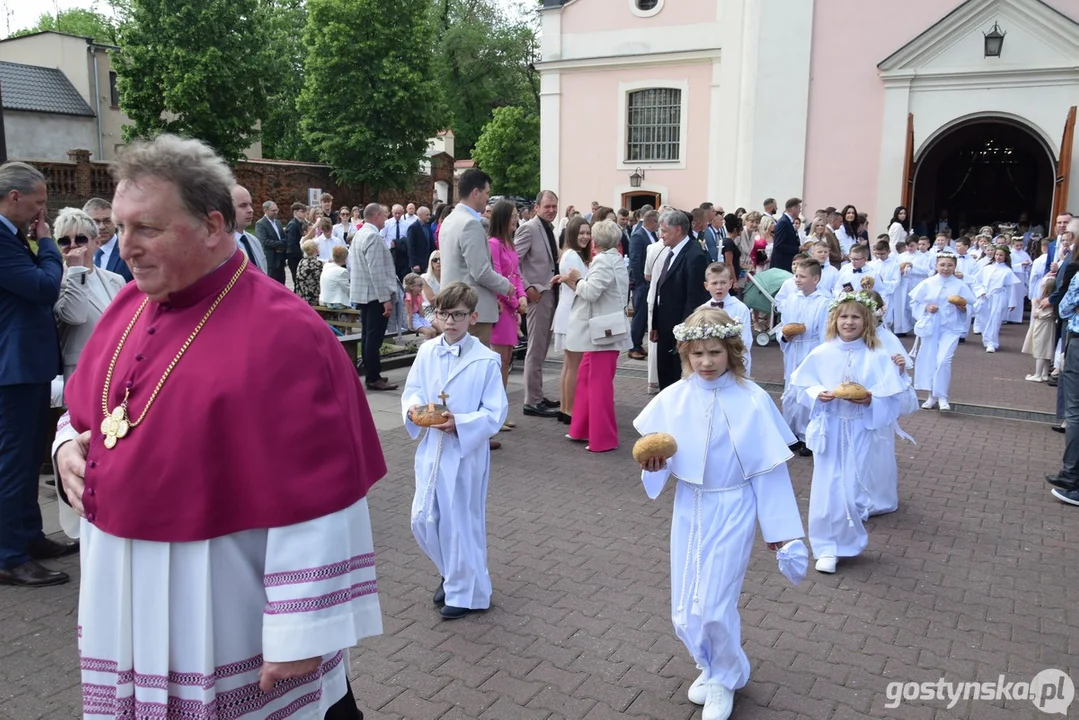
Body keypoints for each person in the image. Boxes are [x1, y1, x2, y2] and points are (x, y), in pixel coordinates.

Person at [52, 134, 385, 716]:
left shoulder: (287, 332)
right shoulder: (126, 310)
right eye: (121, 227)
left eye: (146, 229)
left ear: (212, 225)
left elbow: (322, 491)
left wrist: (301, 629)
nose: (124, 247)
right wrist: (63, 452)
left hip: (228, 610)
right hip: (122, 602)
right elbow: (83, 414)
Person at [633, 308, 805, 720]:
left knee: (713, 604)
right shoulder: (674, 398)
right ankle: (710, 664)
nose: (705, 362)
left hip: (733, 505)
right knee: (684, 607)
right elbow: (664, 462)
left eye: (714, 352)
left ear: (731, 352)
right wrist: (654, 469)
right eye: (697, 355)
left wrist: (781, 530)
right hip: (690, 507)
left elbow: (769, 471)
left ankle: (725, 677)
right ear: (685, 355)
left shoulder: (751, 400)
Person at [403, 282, 508, 619]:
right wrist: (414, 408)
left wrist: (460, 423)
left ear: (472, 317)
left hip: (464, 452)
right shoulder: (427, 351)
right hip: (432, 446)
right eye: (444, 313)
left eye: (458, 315)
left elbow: (495, 412)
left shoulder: (486, 360)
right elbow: (414, 389)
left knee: (459, 520)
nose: (450, 321)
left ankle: (468, 594)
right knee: (422, 517)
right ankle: (451, 573)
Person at [790, 292, 906, 573]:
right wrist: (819, 393)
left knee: (851, 485)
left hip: (859, 427)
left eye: (855, 316)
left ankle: (847, 540)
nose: (849, 322)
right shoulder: (822, 352)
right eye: (843, 316)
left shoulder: (876, 356)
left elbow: (891, 396)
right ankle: (826, 546)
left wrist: (871, 400)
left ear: (866, 321)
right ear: (834, 320)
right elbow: (801, 387)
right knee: (826, 486)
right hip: (829, 427)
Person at [0, 161, 75, 588]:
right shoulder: (4, 238)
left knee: (29, 456)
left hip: (25, 365)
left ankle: (28, 537)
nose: (41, 212)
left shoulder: (11, 236)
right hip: (13, 369)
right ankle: (9, 555)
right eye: (39, 202)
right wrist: (47, 244)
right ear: (15, 197)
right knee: (14, 462)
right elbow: (45, 287)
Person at [561, 220, 629, 453]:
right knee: (586, 376)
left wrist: (578, 279)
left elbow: (590, 292)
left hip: (602, 332)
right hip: (604, 328)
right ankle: (582, 428)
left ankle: (603, 438)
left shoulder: (603, 261)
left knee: (598, 385)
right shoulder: (615, 259)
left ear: (596, 241)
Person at [439, 169, 512, 348]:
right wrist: (507, 287)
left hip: (452, 307)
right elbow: (480, 271)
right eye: (487, 193)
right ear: (475, 193)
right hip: (471, 311)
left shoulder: (449, 220)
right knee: (473, 368)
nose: (488, 198)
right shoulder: (470, 224)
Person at [53, 208, 126, 381]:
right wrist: (76, 269)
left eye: (80, 239)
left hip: (117, 366)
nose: (72, 245)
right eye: (64, 241)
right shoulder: (56, 280)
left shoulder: (115, 280)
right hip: (81, 371)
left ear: (97, 242)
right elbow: (75, 316)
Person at [909, 250, 976, 411]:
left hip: (951, 328)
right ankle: (931, 395)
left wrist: (962, 308)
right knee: (930, 359)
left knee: (943, 360)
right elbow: (914, 302)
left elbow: (971, 306)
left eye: (950, 265)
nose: (946, 268)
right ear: (936, 265)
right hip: (932, 327)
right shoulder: (928, 283)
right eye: (942, 265)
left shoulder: (960, 285)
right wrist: (926, 307)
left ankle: (943, 396)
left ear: (955, 267)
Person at [651, 210, 711, 389]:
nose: (661, 236)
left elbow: (694, 298)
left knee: (677, 379)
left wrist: (684, 332)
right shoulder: (669, 252)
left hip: (679, 329)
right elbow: (660, 289)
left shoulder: (694, 255)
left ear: (678, 229)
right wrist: (655, 323)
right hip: (664, 327)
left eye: (664, 231)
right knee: (665, 375)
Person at [515, 190, 562, 417]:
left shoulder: (548, 229)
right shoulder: (529, 228)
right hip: (538, 296)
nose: (551, 210)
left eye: (554, 206)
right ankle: (531, 400)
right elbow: (513, 262)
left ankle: (537, 394)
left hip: (550, 293)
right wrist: (527, 287)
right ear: (536, 207)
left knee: (542, 347)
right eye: (547, 207)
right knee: (535, 347)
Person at [778, 259, 831, 455]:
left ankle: (807, 436)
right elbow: (783, 324)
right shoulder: (792, 299)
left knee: (807, 392)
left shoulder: (824, 301)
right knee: (790, 392)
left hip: (811, 350)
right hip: (793, 349)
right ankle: (790, 434)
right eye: (796, 276)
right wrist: (784, 336)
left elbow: (826, 332)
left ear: (815, 279)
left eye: (802, 276)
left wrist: (821, 356)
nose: (797, 280)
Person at [349, 204, 399, 391]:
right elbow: (376, 272)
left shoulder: (360, 234)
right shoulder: (372, 237)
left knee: (368, 336)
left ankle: (372, 374)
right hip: (374, 296)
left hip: (365, 293)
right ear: (376, 215)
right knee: (373, 338)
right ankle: (373, 377)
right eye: (384, 215)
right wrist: (385, 299)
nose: (386, 219)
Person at [552, 217, 592, 425]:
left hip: (571, 312)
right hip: (571, 313)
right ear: (572, 234)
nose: (585, 237)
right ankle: (569, 409)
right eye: (581, 233)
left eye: (588, 233)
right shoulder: (571, 257)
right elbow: (576, 287)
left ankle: (566, 408)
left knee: (570, 364)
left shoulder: (574, 255)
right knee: (572, 364)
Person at [487, 201, 528, 393]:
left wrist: (522, 296)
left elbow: (516, 275)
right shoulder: (493, 244)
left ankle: (500, 408)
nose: (516, 219)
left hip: (511, 308)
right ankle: (494, 409)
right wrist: (514, 302)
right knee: (498, 361)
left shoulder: (510, 244)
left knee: (506, 360)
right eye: (513, 216)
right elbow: (497, 277)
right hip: (501, 308)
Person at [698, 262, 753, 375]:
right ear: (706, 286)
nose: (719, 287)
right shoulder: (703, 309)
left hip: (734, 363)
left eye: (723, 282)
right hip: (710, 365)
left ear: (730, 283)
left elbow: (745, 340)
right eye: (714, 283)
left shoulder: (740, 308)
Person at [628, 210, 660, 361]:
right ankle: (633, 346)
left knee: (645, 314)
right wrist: (640, 281)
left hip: (650, 281)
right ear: (653, 222)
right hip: (642, 283)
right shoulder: (638, 235)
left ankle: (638, 343)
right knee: (639, 315)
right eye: (657, 223)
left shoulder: (652, 235)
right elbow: (635, 260)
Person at [84, 197, 133, 283]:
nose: (102, 227)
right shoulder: (81, 253)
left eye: (107, 221)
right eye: (96, 222)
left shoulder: (130, 251)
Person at [979, 245, 1018, 353]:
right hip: (986, 296)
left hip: (999, 296)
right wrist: (981, 292)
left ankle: (992, 343)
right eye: (997, 254)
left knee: (995, 319)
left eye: (1001, 255)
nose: (998, 257)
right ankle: (986, 339)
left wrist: (1012, 302)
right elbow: (977, 281)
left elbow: (1011, 287)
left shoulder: (1007, 271)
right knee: (985, 319)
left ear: (1005, 257)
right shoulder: (987, 268)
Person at [1023, 275, 1056, 382]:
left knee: (1040, 350)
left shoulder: (1045, 302)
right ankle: (1044, 374)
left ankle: (1038, 374)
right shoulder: (1052, 301)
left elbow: (1037, 315)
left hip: (1042, 326)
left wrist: (1035, 305)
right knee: (1047, 351)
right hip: (1049, 327)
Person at [256, 200, 287, 283]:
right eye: (273, 210)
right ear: (265, 210)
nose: (276, 212)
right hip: (271, 260)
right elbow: (264, 241)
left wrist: (282, 244)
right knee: (271, 283)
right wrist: (280, 244)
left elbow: (283, 238)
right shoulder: (261, 224)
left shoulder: (278, 222)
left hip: (280, 259)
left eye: (277, 210)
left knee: (281, 283)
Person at [769, 198, 802, 273]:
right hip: (782, 264)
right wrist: (798, 249)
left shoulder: (788, 221)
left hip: (786, 264)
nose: (800, 211)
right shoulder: (784, 222)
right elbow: (779, 245)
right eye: (799, 208)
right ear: (793, 208)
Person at [403, 272, 438, 340]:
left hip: (417, 317)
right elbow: (409, 313)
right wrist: (410, 326)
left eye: (422, 285)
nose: (422, 287)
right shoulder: (408, 297)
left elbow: (420, 308)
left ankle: (433, 348)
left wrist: (423, 321)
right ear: (411, 287)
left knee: (433, 331)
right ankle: (425, 349)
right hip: (410, 319)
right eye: (420, 285)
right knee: (428, 332)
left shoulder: (418, 295)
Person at [1007, 236, 1032, 324]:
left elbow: (1030, 264)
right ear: (1013, 245)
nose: (1019, 247)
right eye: (1017, 245)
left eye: (1021, 245)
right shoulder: (1010, 254)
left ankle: (1017, 318)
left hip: (1021, 277)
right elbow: (1009, 266)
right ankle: (1008, 317)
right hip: (1012, 276)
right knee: (1011, 295)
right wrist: (1020, 264)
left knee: (1019, 297)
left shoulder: (1024, 254)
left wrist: (1027, 265)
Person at [283, 201, 308, 285]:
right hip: (294, 255)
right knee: (297, 279)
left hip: (297, 254)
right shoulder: (293, 225)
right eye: (302, 211)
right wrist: (301, 254)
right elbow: (291, 243)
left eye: (305, 211)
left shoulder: (301, 223)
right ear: (295, 212)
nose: (304, 213)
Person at [319, 244, 351, 308]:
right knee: (356, 305)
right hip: (335, 302)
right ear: (345, 258)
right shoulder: (342, 271)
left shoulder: (326, 266)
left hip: (324, 300)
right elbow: (348, 290)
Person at [295, 239, 323, 306]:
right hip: (313, 298)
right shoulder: (317, 264)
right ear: (315, 249)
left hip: (301, 296)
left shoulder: (301, 262)